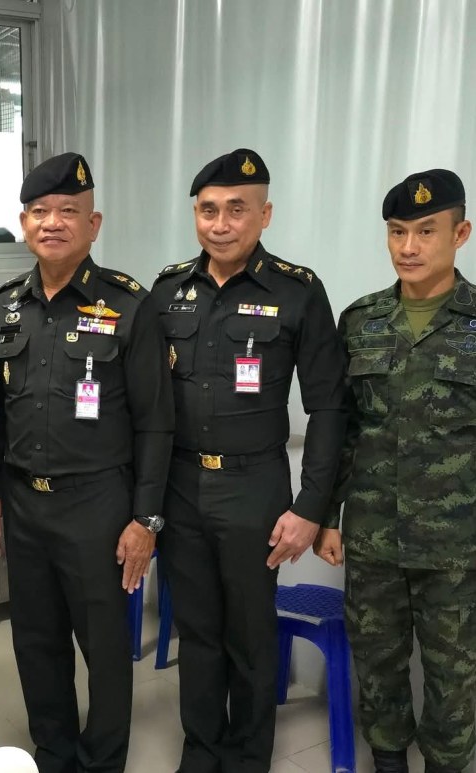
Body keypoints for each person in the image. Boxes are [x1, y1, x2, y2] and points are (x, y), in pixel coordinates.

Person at [151, 149, 349, 773]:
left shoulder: (297, 291)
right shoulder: (168, 290)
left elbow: (329, 407)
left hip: (254, 487)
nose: (220, 224)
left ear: (265, 215)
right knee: (197, 632)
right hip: (182, 484)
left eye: (237, 210)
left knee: (250, 636)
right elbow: (146, 403)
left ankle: (246, 760)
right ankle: (201, 753)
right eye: (208, 210)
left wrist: (310, 507)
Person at [0, 152, 174, 773]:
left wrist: (145, 518)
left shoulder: (129, 304)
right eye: (40, 211)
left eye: (69, 211)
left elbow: (155, 420)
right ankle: (54, 753)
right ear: (23, 224)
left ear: (94, 225)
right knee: (35, 643)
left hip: (98, 505)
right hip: (23, 502)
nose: (53, 222)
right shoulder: (5, 305)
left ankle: (103, 761)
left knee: (105, 648)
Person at [314, 169, 476, 773]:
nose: (408, 246)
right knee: (377, 666)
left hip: (458, 545)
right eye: (397, 231)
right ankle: (387, 763)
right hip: (374, 534)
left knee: (454, 678)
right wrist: (328, 517)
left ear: (460, 233)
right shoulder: (363, 320)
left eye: (426, 231)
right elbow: (345, 429)